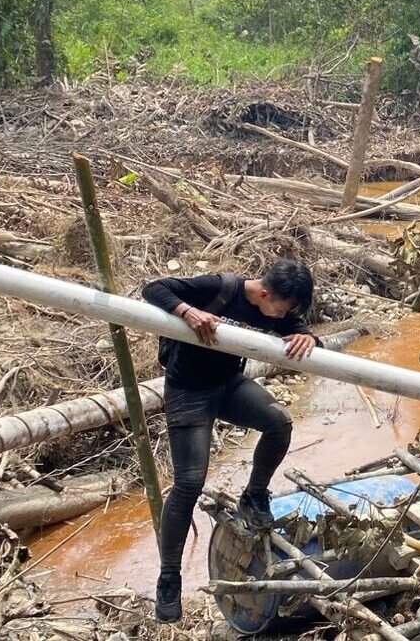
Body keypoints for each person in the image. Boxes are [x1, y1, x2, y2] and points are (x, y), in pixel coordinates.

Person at [141, 260, 319, 623]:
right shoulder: (220, 287)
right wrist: (187, 312)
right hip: (189, 391)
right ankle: (169, 579)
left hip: (229, 386)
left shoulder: (275, 309)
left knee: (279, 423)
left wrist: (310, 337)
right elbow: (153, 288)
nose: (282, 316)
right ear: (266, 293)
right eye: (282, 309)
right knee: (190, 482)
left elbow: (299, 328)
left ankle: (254, 494)